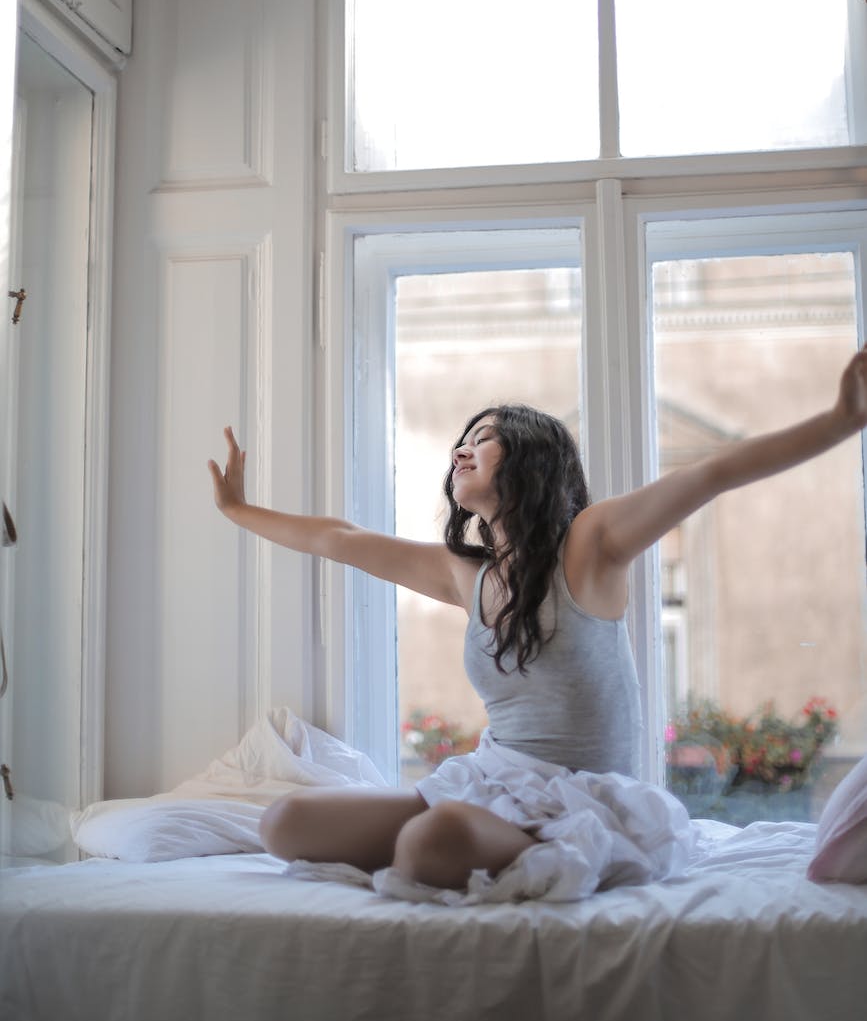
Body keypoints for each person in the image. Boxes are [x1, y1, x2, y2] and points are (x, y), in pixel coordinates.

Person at [208, 345, 867, 894]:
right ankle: (448, 848)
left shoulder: (589, 547)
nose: (460, 451)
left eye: (483, 439)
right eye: (460, 442)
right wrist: (238, 512)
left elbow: (713, 472)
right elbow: (339, 539)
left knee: (432, 841)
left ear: (530, 459)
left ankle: (455, 851)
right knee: (287, 822)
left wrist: (840, 419)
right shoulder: (466, 575)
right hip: (490, 781)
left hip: (580, 804)